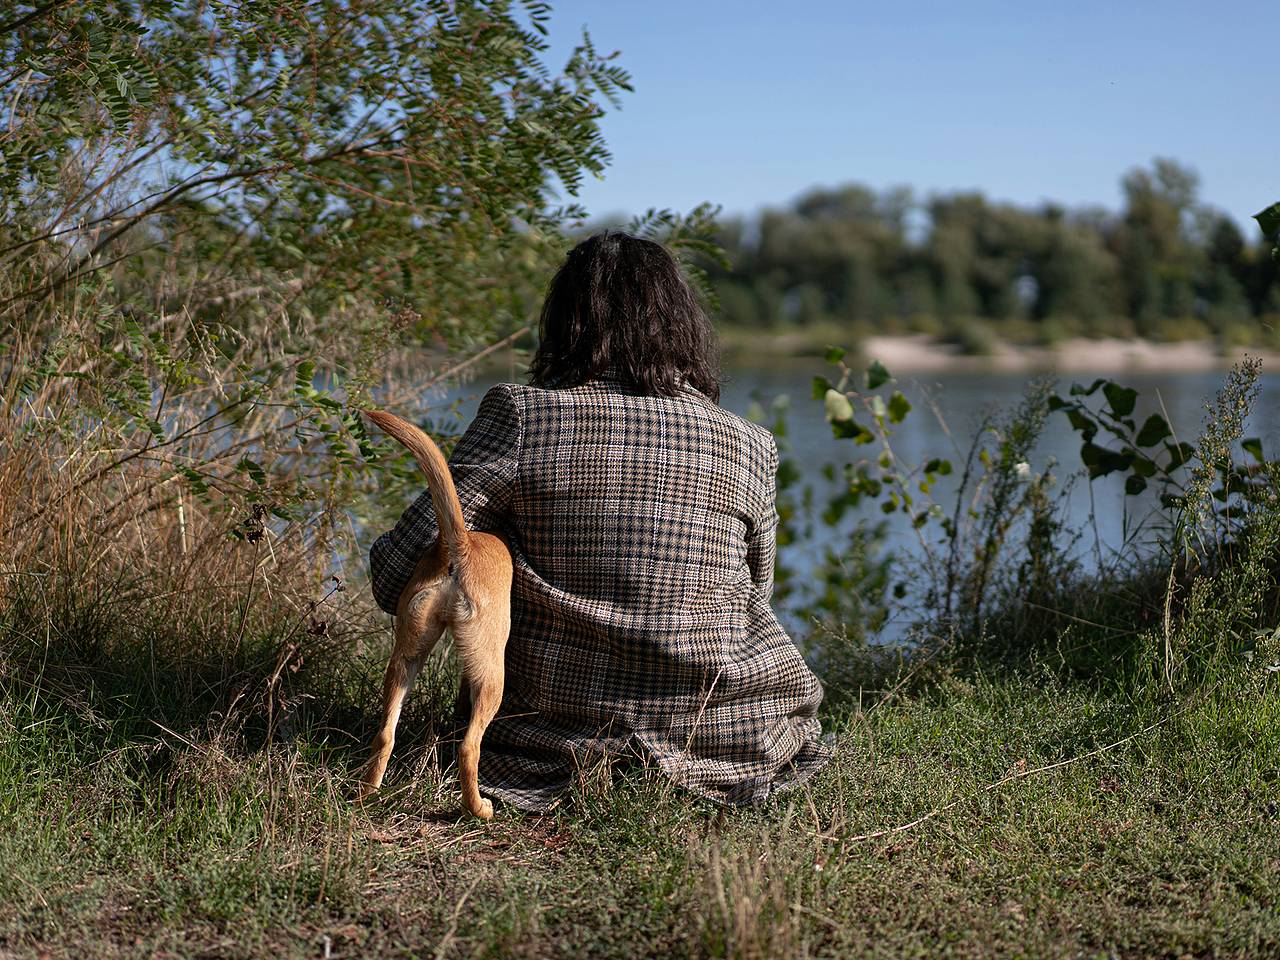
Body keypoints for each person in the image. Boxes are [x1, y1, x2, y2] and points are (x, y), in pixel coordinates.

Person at [369, 232, 832, 812]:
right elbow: (754, 596)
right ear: (685, 330)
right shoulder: (747, 442)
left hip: (545, 749)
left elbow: (395, 577)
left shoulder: (523, 416)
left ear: (563, 325)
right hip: (730, 744)